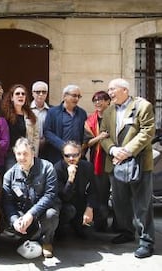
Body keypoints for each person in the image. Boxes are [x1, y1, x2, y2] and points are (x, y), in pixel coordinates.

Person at [100, 78, 155, 259]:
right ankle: (126, 232)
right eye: (108, 89)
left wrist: (128, 150)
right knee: (120, 203)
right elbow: (103, 135)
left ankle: (146, 241)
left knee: (142, 204)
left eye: (112, 89)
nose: (109, 93)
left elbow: (147, 131)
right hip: (116, 162)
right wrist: (113, 149)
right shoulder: (108, 111)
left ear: (124, 89)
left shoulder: (142, 106)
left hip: (138, 163)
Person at [3, 137, 60, 258]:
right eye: (18, 154)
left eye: (25, 153)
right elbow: (8, 202)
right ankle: (27, 238)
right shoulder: (9, 175)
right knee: (7, 218)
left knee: (52, 215)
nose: (22, 157)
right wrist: (15, 220)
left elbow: (50, 195)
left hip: (42, 212)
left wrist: (31, 214)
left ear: (33, 153)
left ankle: (46, 241)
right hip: (22, 213)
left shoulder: (47, 168)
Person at [54, 141, 96, 239]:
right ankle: (61, 228)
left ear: (80, 154)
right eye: (67, 156)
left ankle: (79, 226)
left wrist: (89, 208)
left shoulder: (88, 167)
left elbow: (93, 190)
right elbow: (64, 197)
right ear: (63, 156)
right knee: (69, 211)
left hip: (81, 203)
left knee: (102, 211)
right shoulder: (57, 168)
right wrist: (70, 179)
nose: (71, 158)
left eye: (75, 155)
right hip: (65, 206)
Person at [84, 91, 112, 232]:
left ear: (108, 101)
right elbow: (87, 143)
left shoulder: (115, 117)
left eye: (101, 99)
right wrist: (100, 137)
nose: (98, 103)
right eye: (95, 100)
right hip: (98, 161)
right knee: (100, 193)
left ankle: (120, 225)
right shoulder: (90, 121)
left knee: (119, 197)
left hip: (115, 160)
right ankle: (100, 223)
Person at [44, 84, 87, 164]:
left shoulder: (82, 113)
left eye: (78, 96)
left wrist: (81, 150)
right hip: (57, 155)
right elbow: (47, 132)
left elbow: (84, 134)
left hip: (76, 157)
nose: (76, 99)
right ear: (64, 96)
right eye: (74, 96)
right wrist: (64, 146)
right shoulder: (53, 112)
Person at [2, 84, 39, 169]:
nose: (21, 96)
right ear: (12, 97)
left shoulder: (31, 116)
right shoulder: (4, 115)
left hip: (26, 153)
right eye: (17, 94)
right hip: (10, 154)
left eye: (23, 94)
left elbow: (35, 137)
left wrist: (34, 154)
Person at [30, 81, 50, 158]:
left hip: (47, 147)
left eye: (44, 92)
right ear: (33, 93)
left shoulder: (52, 111)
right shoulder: (26, 109)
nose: (41, 94)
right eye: (38, 92)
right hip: (30, 146)